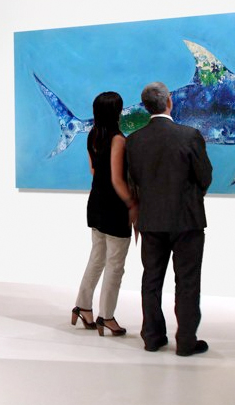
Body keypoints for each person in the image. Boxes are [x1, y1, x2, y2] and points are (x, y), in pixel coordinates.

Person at [126, 81, 213, 356]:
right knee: (187, 281)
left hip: (151, 219)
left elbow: (134, 180)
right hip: (187, 219)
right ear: (169, 102)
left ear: (145, 107)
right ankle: (186, 341)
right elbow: (205, 176)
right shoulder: (190, 136)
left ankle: (152, 337)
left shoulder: (134, 140)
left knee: (151, 280)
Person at [72, 91, 138, 336]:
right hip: (114, 207)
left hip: (96, 203)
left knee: (97, 257)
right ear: (117, 112)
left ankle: (83, 306)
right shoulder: (118, 139)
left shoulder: (92, 135)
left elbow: (94, 170)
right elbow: (117, 180)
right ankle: (106, 317)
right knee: (115, 265)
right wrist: (132, 204)